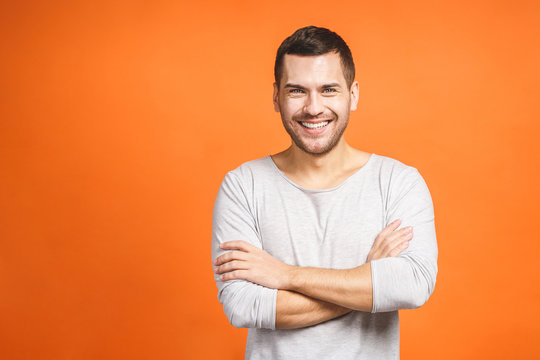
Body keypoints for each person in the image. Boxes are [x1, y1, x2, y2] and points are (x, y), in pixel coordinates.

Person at [211, 25, 438, 359]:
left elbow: (413, 285)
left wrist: (285, 275)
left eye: (329, 89)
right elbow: (244, 307)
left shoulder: (397, 181)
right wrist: (366, 280)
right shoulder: (243, 185)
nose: (314, 108)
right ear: (276, 97)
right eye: (297, 91)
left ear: (353, 94)